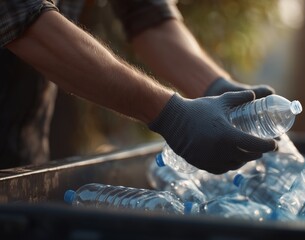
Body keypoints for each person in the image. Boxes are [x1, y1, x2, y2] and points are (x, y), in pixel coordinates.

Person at [0, 0, 277, 174]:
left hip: (20, 151)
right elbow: (24, 18)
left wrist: (215, 85)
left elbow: (147, 15)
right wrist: (173, 116)